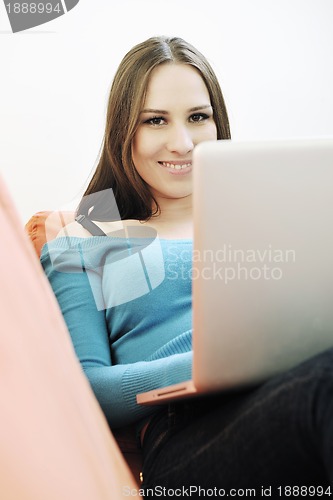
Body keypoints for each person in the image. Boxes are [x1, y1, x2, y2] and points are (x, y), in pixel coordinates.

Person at [41, 36, 333, 496]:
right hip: (187, 438)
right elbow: (88, 391)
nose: (183, 143)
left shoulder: (272, 215)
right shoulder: (88, 234)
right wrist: (214, 365)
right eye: (155, 120)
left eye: (198, 117)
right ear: (124, 132)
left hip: (298, 390)